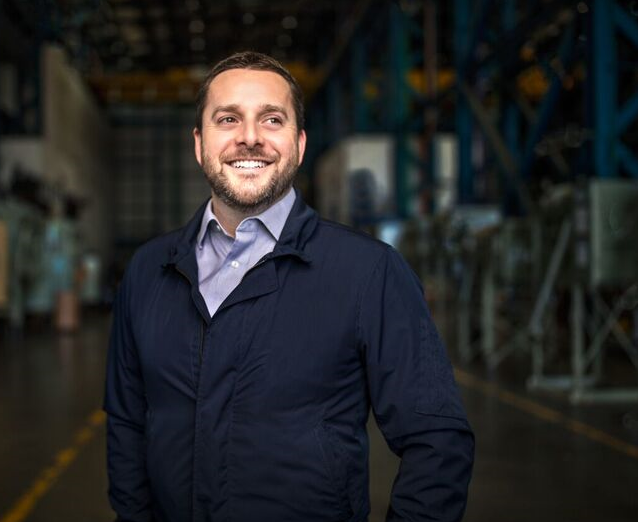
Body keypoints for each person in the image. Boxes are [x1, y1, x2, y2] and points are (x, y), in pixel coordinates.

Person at [104, 51, 474, 522]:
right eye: (228, 119)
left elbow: (438, 443)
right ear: (199, 144)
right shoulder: (148, 271)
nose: (250, 138)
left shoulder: (368, 273)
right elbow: (127, 423)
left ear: (299, 144)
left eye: (272, 119)